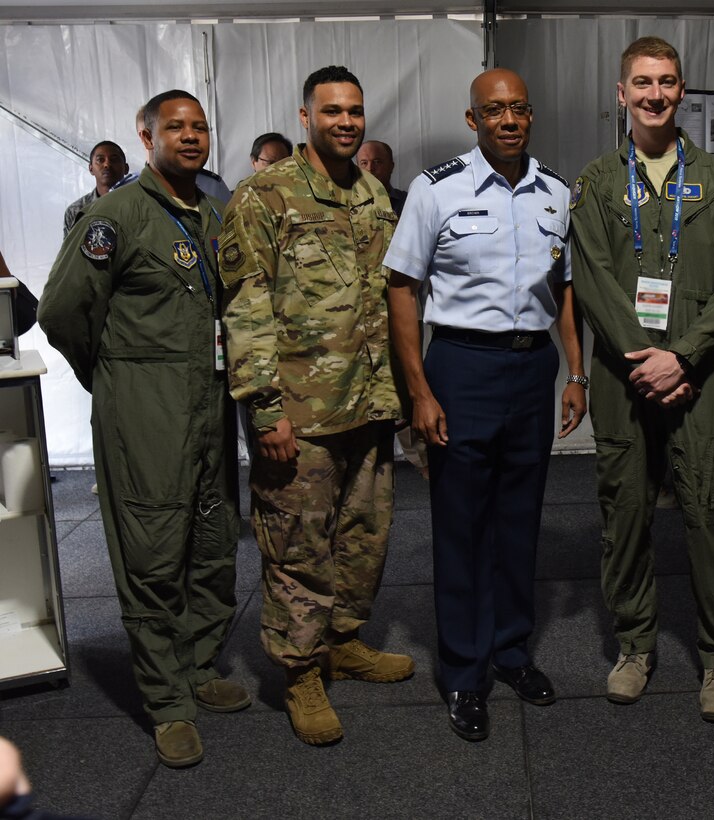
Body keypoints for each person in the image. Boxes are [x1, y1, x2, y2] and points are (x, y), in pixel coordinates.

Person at [38, 90, 248, 769]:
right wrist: (116, 377)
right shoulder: (116, 215)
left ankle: (195, 665)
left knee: (213, 542)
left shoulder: (213, 214)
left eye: (200, 127)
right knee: (154, 551)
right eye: (176, 127)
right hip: (144, 406)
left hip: (208, 403)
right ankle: (166, 701)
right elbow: (62, 310)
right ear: (146, 134)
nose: (191, 137)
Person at [386, 68, 586, 742]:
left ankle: (510, 651)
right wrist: (419, 390)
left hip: (532, 369)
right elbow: (403, 290)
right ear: (472, 120)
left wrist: (575, 374)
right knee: (461, 524)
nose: (508, 121)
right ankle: (463, 672)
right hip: (460, 366)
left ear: (530, 116)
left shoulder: (556, 193)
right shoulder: (435, 189)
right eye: (493, 111)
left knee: (519, 519)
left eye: (519, 110)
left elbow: (563, 290)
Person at [218, 65, 413, 748]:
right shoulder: (262, 198)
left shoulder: (371, 195)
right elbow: (245, 311)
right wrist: (264, 410)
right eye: (332, 111)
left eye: (355, 111)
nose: (346, 122)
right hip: (298, 414)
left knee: (362, 537)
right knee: (297, 545)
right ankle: (300, 672)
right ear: (305, 117)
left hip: (366, 404)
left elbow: (389, 300)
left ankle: (342, 641)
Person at [569, 36, 714, 721]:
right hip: (622, 379)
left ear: (682, 92)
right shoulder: (594, 183)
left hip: (702, 375)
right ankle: (634, 644)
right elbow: (589, 278)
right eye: (642, 82)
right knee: (624, 516)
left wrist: (680, 355)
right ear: (621, 94)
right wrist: (642, 358)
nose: (654, 93)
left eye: (667, 82)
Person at [63, 141, 129, 236]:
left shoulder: (142, 206)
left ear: (126, 168)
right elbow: (69, 250)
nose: (107, 164)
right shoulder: (76, 211)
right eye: (100, 160)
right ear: (91, 169)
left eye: (114, 160)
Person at [357, 140, 407, 215]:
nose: (370, 168)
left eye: (377, 162)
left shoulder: (408, 202)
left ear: (391, 166)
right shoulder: (344, 203)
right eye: (364, 163)